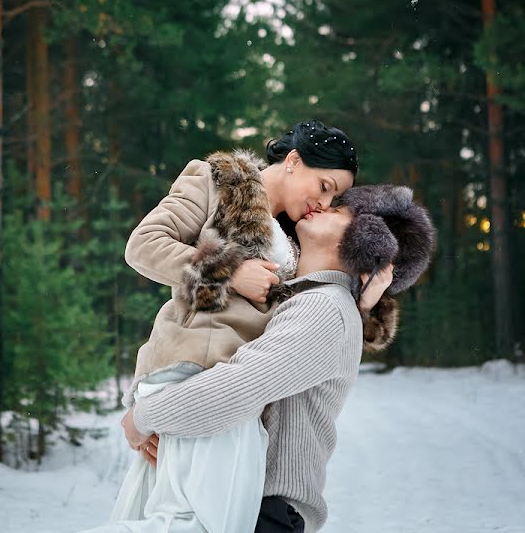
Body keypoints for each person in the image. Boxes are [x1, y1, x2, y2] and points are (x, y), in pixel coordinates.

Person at [80, 120, 394, 533]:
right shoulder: (216, 183)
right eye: (324, 185)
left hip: (227, 399)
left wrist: (365, 303)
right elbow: (143, 245)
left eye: (335, 196)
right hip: (192, 371)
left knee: (177, 518)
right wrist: (228, 271)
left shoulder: (297, 236)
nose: (325, 200)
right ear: (294, 161)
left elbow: (311, 318)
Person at [122, 184, 437, 532]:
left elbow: (238, 387)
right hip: (239, 501)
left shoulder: (325, 308)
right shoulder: (303, 299)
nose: (324, 206)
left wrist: (144, 417)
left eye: (339, 211)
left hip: (263, 512)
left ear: (365, 242)